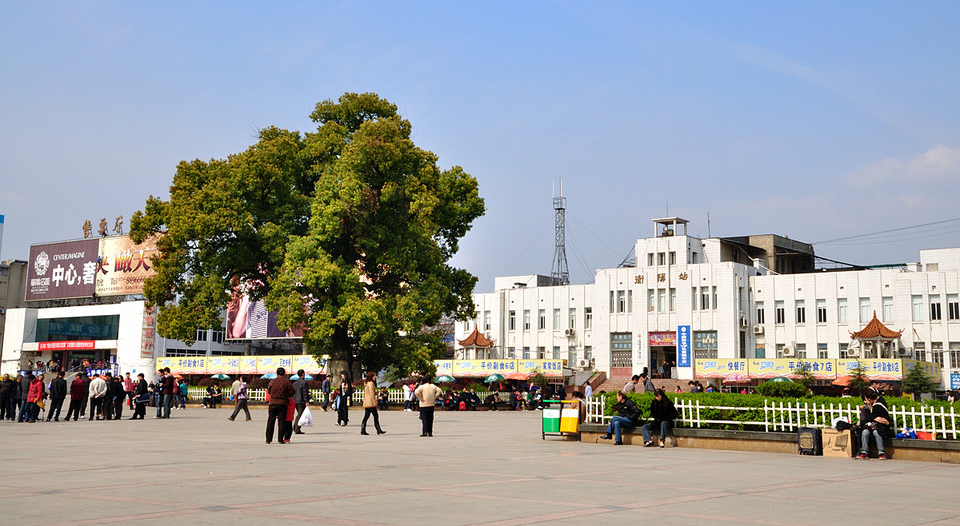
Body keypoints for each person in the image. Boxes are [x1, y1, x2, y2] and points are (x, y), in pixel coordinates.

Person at [858, 389, 892, 459]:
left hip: (881, 426)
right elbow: (870, 417)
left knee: (876, 432)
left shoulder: (878, 405)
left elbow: (871, 417)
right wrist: (867, 407)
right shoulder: (868, 406)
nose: (865, 401)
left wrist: (860, 423)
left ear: (869, 399)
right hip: (872, 425)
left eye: (866, 399)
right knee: (865, 432)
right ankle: (864, 451)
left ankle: (881, 452)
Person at [265, 367, 295, 444]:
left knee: (271, 421)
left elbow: (269, 391)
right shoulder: (287, 381)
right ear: (284, 373)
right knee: (281, 422)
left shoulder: (272, 381)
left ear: (277, 373)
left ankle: (268, 439)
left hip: (273, 402)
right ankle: (280, 439)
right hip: (283, 403)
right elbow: (292, 392)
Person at [360, 371, 386, 436]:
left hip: (367, 401)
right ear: (371, 377)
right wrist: (375, 404)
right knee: (375, 416)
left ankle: (363, 429)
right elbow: (371, 395)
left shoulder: (367, 383)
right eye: (374, 376)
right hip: (371, 402)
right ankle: (378, 429)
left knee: (366, 416)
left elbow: (368, 393)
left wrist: (375, 393)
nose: (375, 377)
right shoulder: (371, 384)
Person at [292, 369, 312, 435]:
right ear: (303, 374)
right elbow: (304, 392)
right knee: (300, 415)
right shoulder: (304, 382)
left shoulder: (295, 383)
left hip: (295, 400)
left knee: (299, 414)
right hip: (301, 400)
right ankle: (297, 428)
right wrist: (306, 401)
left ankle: (295, 426)